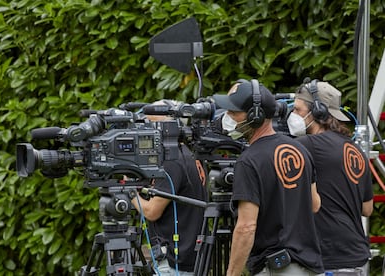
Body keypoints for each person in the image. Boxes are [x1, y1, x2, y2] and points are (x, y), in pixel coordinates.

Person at [213, 79, 324, 276]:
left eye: (233, 112)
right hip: (310, 268)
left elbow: (246, 227)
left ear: (255, 116)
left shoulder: (249, 161)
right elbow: (315, 204)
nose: (227, 117)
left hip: (277, 269)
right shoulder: (300, 149)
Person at [287, 78, 374, 275]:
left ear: (318, 111)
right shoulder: (356, 150)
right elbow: (367, 208)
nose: (293, 115)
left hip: (328, 258)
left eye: (298, 110)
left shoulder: (307, 145)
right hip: (356, 257)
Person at [131, 100, 208, 275]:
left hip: (175, 263)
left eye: (151, 123)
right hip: (190, 256)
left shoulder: (171, 162)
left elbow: (151, 211)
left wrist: (128, 192)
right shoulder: (188, 153)